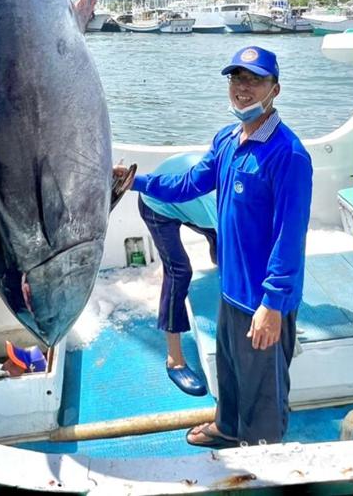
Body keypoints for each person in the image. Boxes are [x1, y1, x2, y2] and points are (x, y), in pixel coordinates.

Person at [114, 46, 312, 448]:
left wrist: (273, 305)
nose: (243, 88)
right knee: (231, 370)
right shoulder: (226, 139)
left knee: (265, 392)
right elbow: (188, 184)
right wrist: (133, 181)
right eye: (237, 79)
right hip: (231, 290)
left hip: (263, 301)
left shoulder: (288, 155)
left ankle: (264, 458)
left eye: (254, 80)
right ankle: (228, 427)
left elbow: (289, 237)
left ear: (276, 89)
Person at [137, 151, 217, 397]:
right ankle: (174, 360)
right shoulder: (218, 208)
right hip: (157, 204)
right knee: (180, 271)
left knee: (224, 251)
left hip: (191, 202)